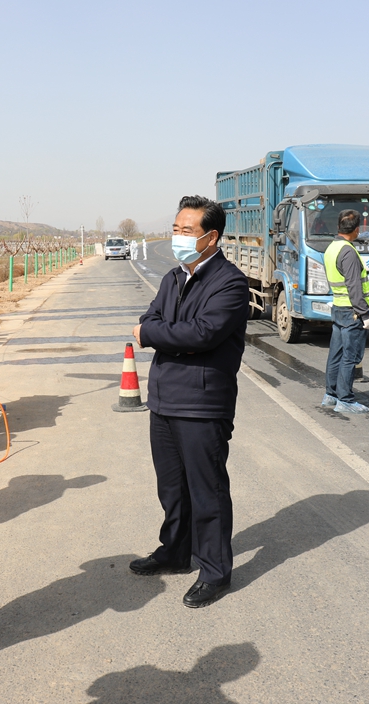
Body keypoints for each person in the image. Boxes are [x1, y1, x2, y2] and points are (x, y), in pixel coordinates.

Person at [130, 195, 249, 608]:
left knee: (207, 490)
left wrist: (155, 334)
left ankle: (215, 571)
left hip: (202, 403)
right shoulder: (172, 278)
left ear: (210, 237)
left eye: (186, 230)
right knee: (172, 487)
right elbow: (150, 319)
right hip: (164, 399)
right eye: (175, 229)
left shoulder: (230, 283)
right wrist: (162, 332)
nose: (178, 236)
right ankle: (176, 551)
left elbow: (202, 334)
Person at [321, 209, 369, 414]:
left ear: (338, 226)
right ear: (357, 229)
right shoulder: (348, 251)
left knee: (336, 354)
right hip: (352, 311)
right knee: (350, 356)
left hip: (339, 307)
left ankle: (331, 395)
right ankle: (345, 400)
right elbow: (354, 286)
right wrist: (364, 314)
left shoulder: (332, 248)